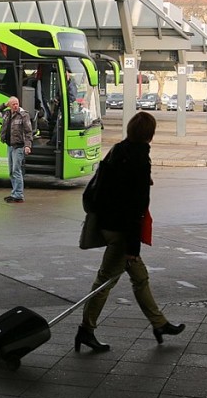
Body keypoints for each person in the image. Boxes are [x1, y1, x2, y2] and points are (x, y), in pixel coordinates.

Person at [75, 111, 185, 353]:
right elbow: (135, 209)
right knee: (104, 282)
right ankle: (86, 329)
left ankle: (160, 324)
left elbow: (106, 187)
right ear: (150, 134)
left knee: (140, 278)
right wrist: (132, 249)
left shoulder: (118, 150)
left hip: (108, 223)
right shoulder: (139, 160)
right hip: (121, 233)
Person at [0, 97, 33, 203]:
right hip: (10, 145)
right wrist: (4, 104)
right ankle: (14, 193)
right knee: (11, 171)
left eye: (17, 104)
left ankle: (19, 195)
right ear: (10, 105)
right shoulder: (7, 114)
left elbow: (28, 131)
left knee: (16, 170)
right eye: (13, 104)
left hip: (19, 146)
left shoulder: (23, 115)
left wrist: (27, 146)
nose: (15, 106)